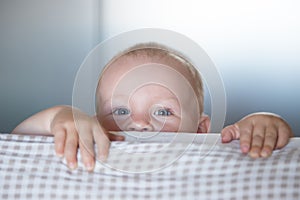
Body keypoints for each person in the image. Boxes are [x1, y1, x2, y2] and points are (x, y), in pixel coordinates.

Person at [12, 43, 293, 171]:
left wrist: (264, 125)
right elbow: (15, 145)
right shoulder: (92, 146)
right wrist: (62, 117)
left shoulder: (210, 157)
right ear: (96, 122)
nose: (140, 123)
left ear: (200, 129)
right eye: (120, 111)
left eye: (163, 112)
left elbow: (276, 151)